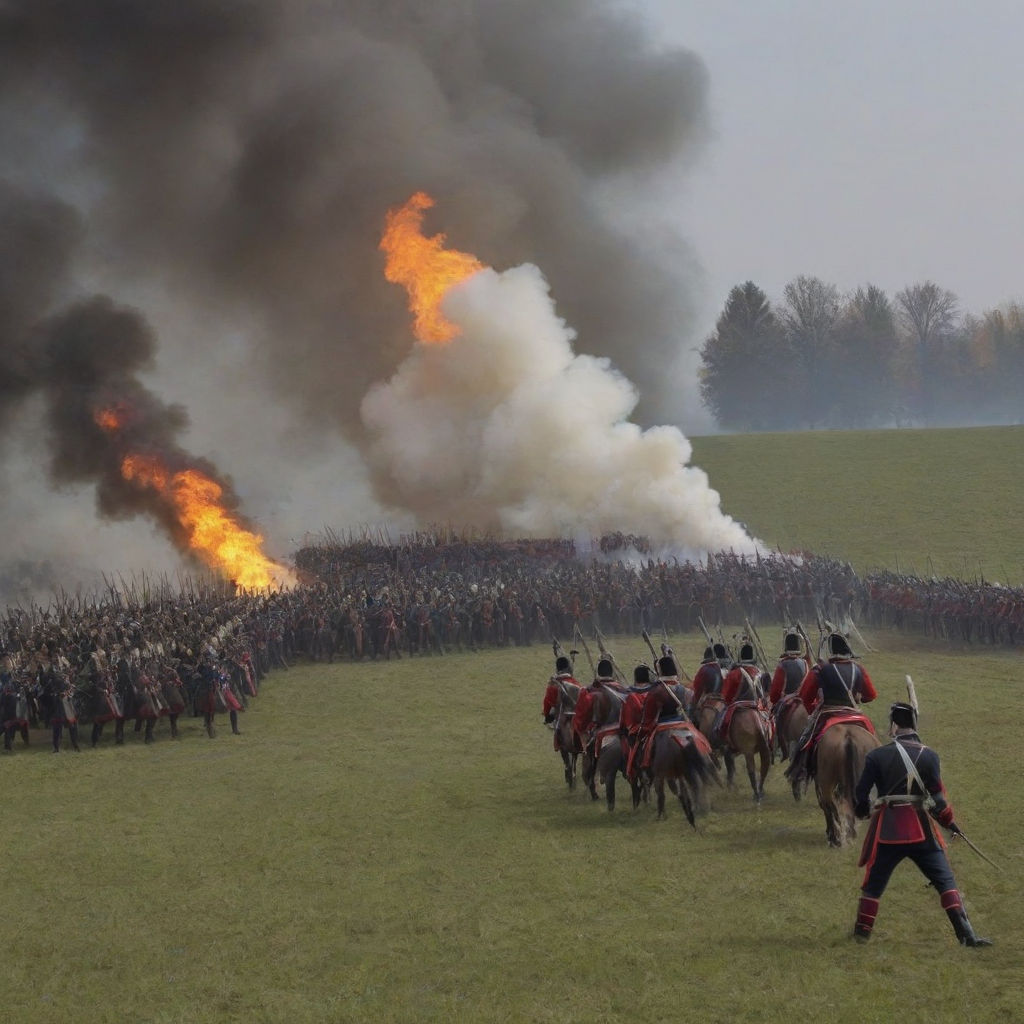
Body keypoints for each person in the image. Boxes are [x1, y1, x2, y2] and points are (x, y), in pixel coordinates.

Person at [852, 701, 992, 947]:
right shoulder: (929, 755)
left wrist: (863, 812)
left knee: (874, 884)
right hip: (920, 827)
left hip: (888, 829)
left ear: (894, 724)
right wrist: (950, 823)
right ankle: (967, 936)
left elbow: (860, 795)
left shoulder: (877, 756)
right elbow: (938, 800)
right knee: (945, 881)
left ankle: (861, 935)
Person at [786, 633, 877, 782]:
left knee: (805, 740)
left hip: (828, 713)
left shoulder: (820, 669)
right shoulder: (859, 669)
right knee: (872, 737)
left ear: (831, 651)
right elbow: (871, 695)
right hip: (854, 713)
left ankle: (801, 770)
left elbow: (805, 696)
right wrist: (860, 699)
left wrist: (812, 709)